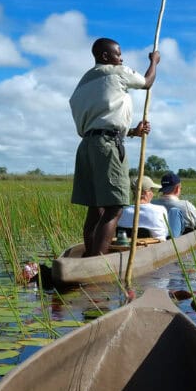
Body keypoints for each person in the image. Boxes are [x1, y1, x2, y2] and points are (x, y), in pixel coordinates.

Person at [70, 38, 159, 256]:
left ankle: (90, 258)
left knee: (96, 207)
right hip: (107, 147)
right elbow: (147, 82)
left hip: (87, 146)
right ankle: (97, 261)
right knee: (114, 207)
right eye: (118, 54)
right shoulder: (117, 72)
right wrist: (154, 61)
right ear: (105, 57)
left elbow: (99, 120)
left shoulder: (82, 84)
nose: (122, 58)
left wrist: (132, 132)